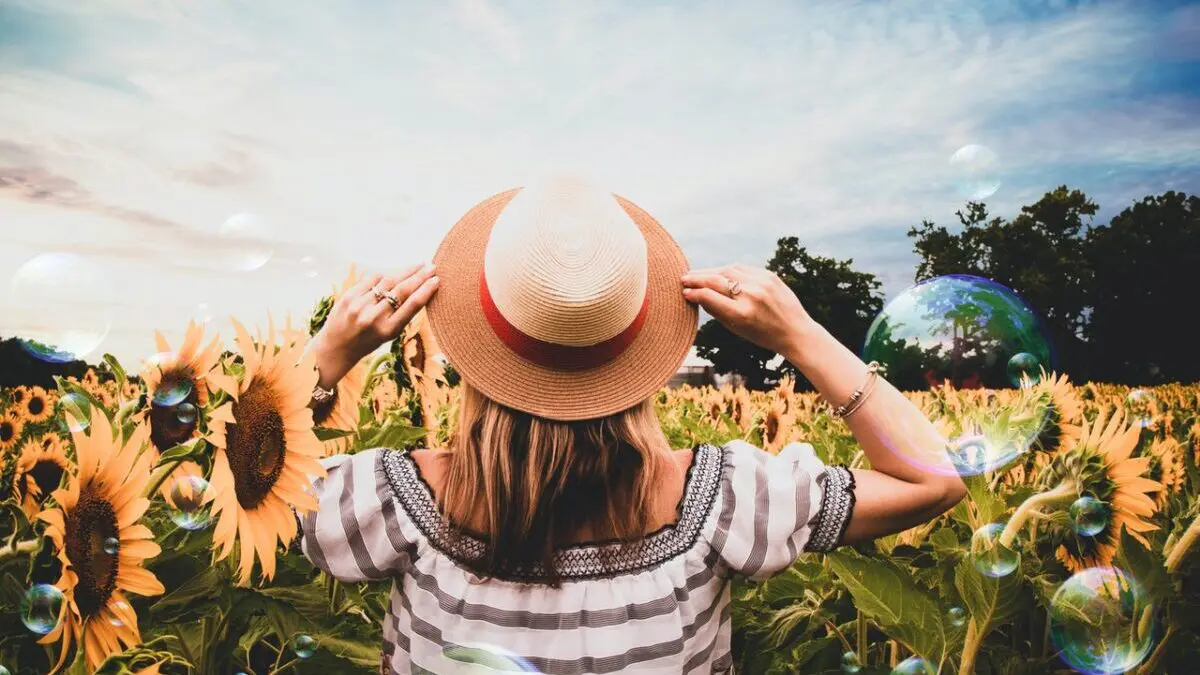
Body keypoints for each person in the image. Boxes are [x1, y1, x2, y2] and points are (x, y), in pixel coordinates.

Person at [299, 177, 967, 674]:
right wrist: (800, 333)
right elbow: (933, 480)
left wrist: (324, 360)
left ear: (479, 353)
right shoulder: (723, 501)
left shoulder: (391, 503)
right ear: (639, 351)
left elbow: (239, 481)